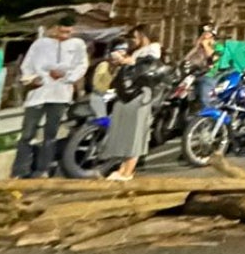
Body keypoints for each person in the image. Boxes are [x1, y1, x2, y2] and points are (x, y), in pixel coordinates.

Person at [11, 15, 88, 178]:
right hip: (38, 93)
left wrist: (67, 78)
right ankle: (20, 170)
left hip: (60, 94)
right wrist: (33, 78)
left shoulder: (77, 45)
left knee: (50, 134)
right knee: (27, 134)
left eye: (68, 32)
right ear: (55, 28)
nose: (64, 35)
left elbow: (82, 66)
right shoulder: (40, 44)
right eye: (61, 31)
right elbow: (27, 66)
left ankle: (43, 169)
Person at [104, 25, 165, 181]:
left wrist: (126, 60)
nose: (132, 41)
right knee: (125, 131)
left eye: (135, 37)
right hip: (126, 95)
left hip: (139, 95)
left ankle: (128, 172)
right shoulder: (138, 52)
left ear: (144, 36)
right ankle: (123, 168)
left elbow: (144, 66)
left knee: (135, 133)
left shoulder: (153, 50)